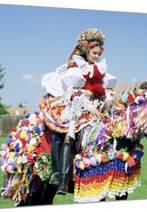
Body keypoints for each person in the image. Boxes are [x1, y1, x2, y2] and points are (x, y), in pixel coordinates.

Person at [39, 28, 117, 194]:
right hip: (77, 105)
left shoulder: (101, 68)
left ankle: (108, 174)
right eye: (94, 53)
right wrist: (87, 103)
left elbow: (106, 88)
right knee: (67, 134)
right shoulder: (76, 66)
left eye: (98, 53)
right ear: (87, 51)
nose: (96, 56)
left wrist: (108, 99)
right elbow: (73, 90)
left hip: (97, 106)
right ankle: (61, 177)